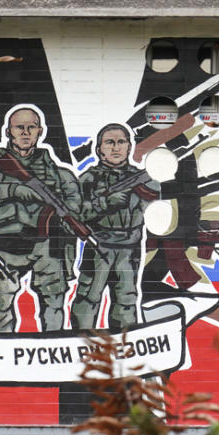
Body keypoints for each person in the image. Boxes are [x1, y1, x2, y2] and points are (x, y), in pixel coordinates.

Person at [0, 106, 82, 331]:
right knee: (0, 301)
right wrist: (15, 195)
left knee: (54, 299)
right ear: (8, 131)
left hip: (45, 246)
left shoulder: (58, 173)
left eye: (31, 127)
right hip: (6, 244)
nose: (25, 132)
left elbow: (74, 205)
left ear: (40, 131)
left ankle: (52, 344)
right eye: (19, 127)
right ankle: (1, 347)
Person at [72, 123, 159, 331]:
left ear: (129, 147)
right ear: (99, 149)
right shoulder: (88, 179)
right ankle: (80, 342)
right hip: (99, 247)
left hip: (130, 249)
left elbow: (157, 207)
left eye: (121, 142)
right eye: (109, 143)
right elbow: (74, 215)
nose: (116, 148)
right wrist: (104, 202)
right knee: (88, 299)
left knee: (126, 300)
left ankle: (124, 345)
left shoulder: (144, 179)